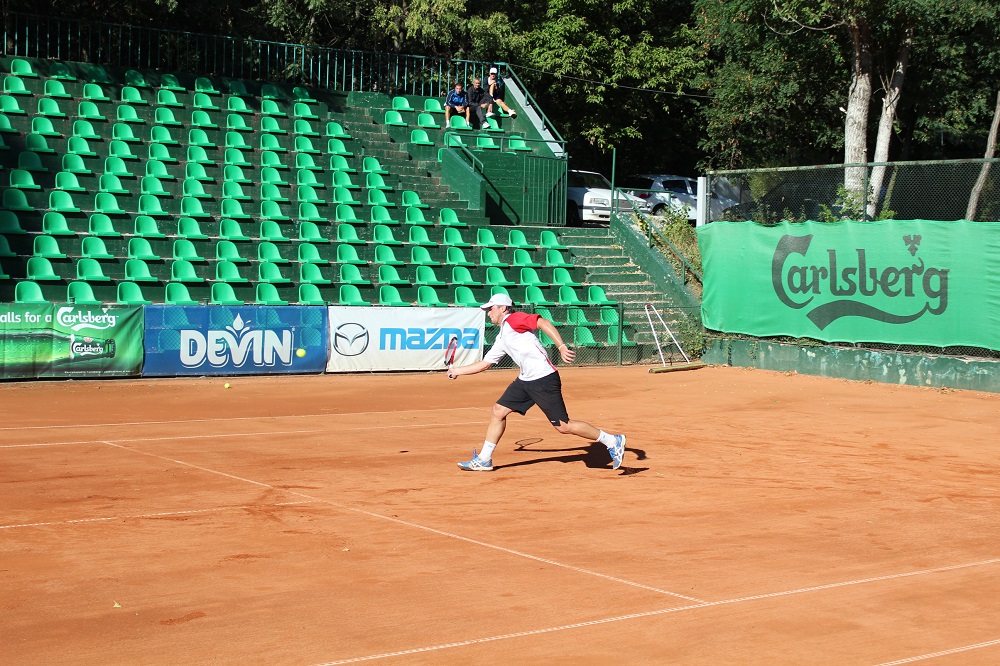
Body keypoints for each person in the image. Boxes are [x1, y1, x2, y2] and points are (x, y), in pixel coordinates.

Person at [447, 293, 627, 472]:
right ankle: (484, 459)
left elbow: (543, 323)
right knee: (498, 411)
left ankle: (612, 441)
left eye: (491, 308)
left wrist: (561, 346)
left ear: (503, 308)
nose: (488, 313)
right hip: (525, 380)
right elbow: (485, 364)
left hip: (543, 379)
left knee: (563, 426)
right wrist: (457, 371)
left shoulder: (514, 319)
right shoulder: (501, 336)